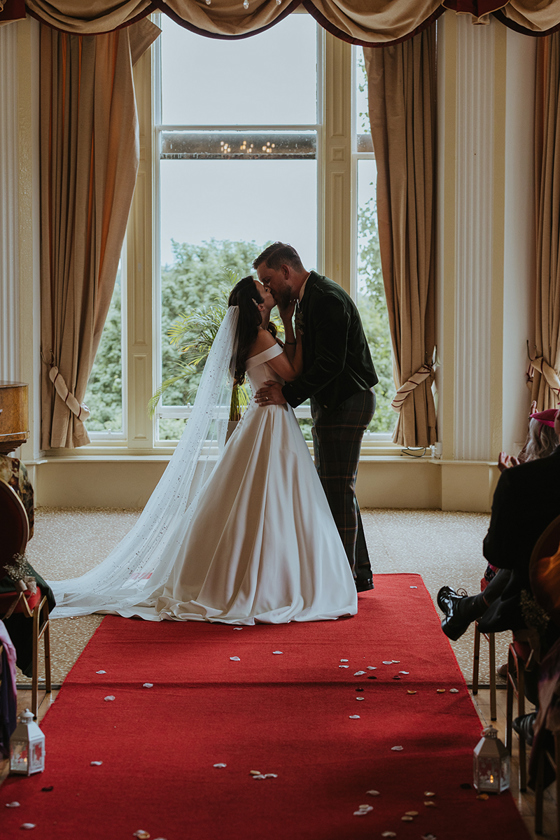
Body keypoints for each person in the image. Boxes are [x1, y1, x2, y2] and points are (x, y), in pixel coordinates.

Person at [50, 276, 357, 624]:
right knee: (270, 496)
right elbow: (295, 370)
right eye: (265, 291)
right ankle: (271, 581)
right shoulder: (260, 335)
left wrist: (283, 326)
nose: (270, 292)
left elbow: (284, 370)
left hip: (268, 417)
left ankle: (268, 571)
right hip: (271, 421)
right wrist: (291, 324)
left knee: (267, 497)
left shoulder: (254, 335)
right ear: (257, 305)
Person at [252, 243, 378, 592]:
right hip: (335, 402)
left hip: (347, 403)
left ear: (286, 271)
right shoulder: (306, 300)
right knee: (337, 489)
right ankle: (359, 573)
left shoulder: (325, 298)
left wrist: (287, 395)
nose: (267, 287)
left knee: (337, 490)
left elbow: (330, 364)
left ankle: (342, 579)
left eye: (268, 279)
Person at [437, 407, 560, 642]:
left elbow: (498, 554)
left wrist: (514, 493)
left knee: (523, 558)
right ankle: (465, 609)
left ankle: (468, 609)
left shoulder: (521, 480)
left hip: (541, 603)